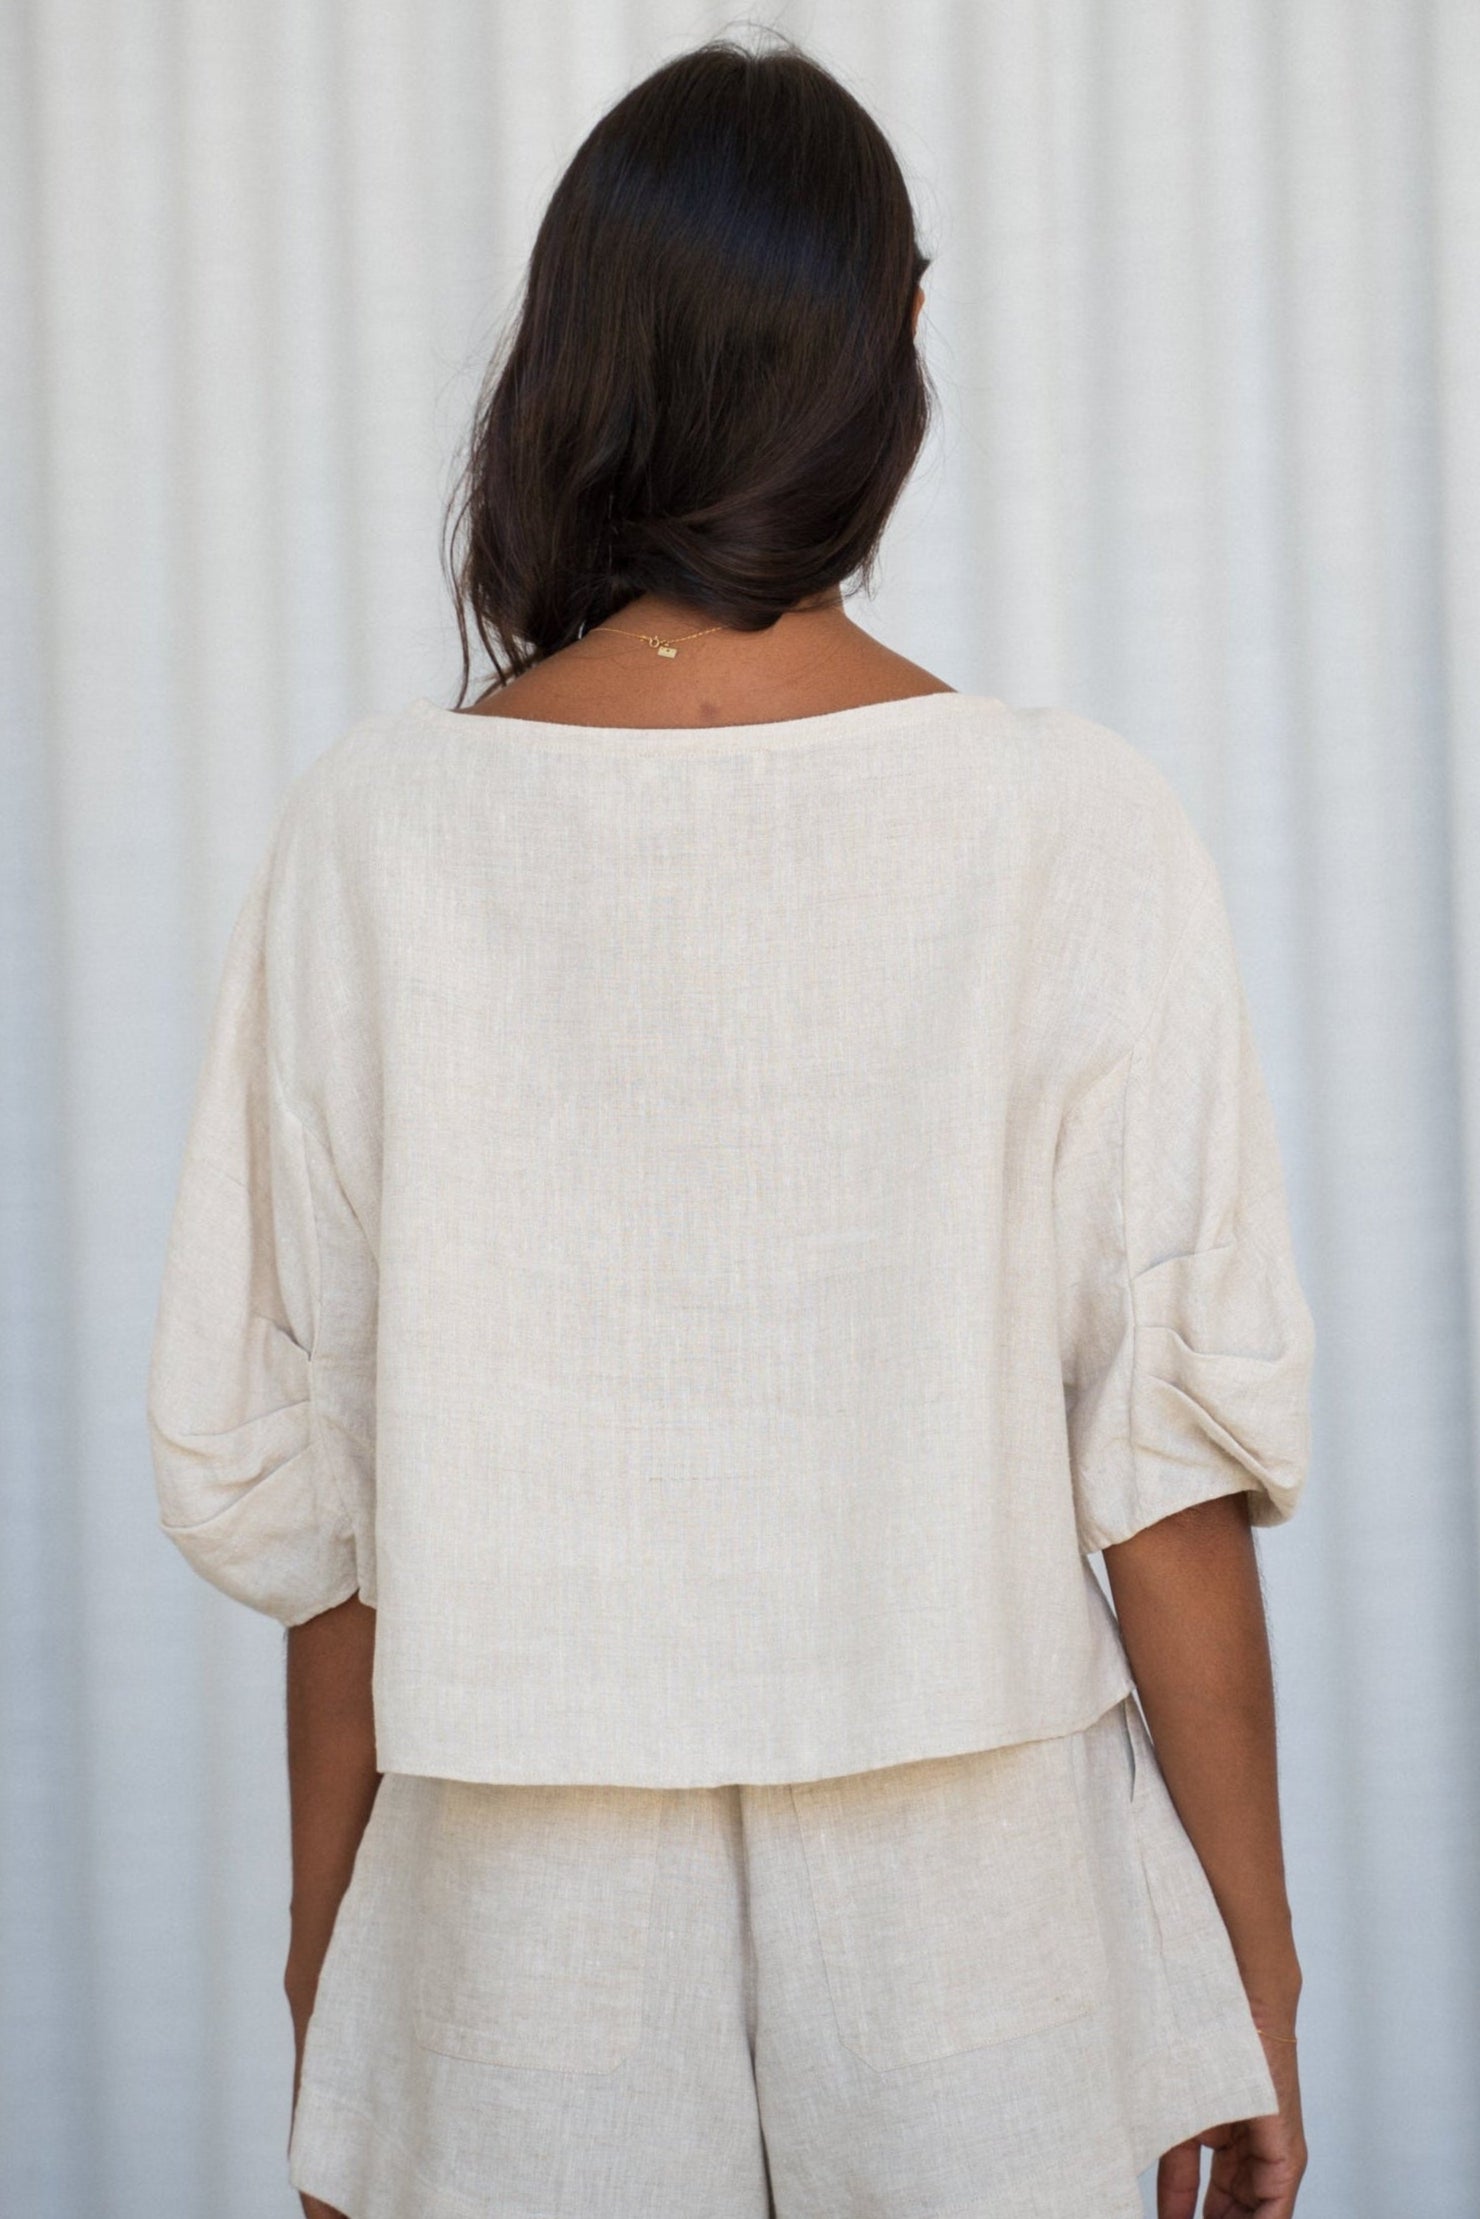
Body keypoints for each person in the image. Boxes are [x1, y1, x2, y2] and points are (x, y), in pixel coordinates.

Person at [145, 32, 1314, 2219]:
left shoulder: (378, 835)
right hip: (988, 1921)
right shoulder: (1062, 824)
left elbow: (331, 1512)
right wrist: (1247, 1978)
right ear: (889, 354)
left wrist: (333, 1987)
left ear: (574, 363)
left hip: (505, 1928)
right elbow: (1162, 1483)